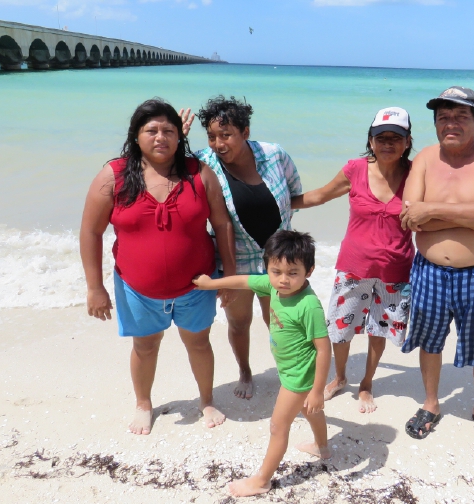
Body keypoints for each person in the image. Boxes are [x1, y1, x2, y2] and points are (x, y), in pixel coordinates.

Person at [80, 98, 237, 435]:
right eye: (151, 130)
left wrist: (229, 278)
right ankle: (143, 404)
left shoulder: (199, 174)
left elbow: (222, 225)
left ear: (180, 136)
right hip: (137, 288)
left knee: (199, 343)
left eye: (168, 130)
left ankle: (206, 400)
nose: (160, 137)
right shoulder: (114, 176)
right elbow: (91, 232)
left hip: (197, 287)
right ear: (136, 136)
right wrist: (95, 287)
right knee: (145, 346)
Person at [399, 87, 474, 448]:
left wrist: (432, 211)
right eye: (443, 117)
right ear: (435, 123)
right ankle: (431, 404)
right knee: (430, 340)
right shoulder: (424, 159)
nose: (451, 124)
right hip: (430, 269)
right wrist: (472, 218)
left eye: (460, 117)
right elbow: (409, 218)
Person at [291, 107, 415, 413]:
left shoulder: (416, 175)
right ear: (370, 141)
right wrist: (278, 204)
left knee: (379, 331)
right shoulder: (355, 170)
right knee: (341, 328)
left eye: (396, 138)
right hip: (354, 267)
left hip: (396, 270)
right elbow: (320, 195)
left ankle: (367, 384)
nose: (388, 143)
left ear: (408, 142)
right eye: (381, 137)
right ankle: (341, 377)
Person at [193, 230, 331, 497]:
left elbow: (324, 350)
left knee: (278, 427)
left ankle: (262, 481)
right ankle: (322, 447)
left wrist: (316, 390)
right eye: (276, 271)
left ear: (309, 271)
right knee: (310, 411)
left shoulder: (309, 305)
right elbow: (243, 280)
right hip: (291, 370)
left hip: (298, 376)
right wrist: (210, 284)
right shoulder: (271, 285)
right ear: (267, 267)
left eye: (293, 272)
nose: (283, 279)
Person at [193, 95, 303, 401]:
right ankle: (245, 370)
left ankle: (288, 370)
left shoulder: (275, 155)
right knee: (239, 322)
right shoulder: (205, 164)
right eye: (212, 136)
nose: (218, 144)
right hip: (237, 260)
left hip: (278, 261)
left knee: (280, 321)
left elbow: (294, 193)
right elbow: (164, 161)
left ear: (245, 131)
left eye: (226, 135)